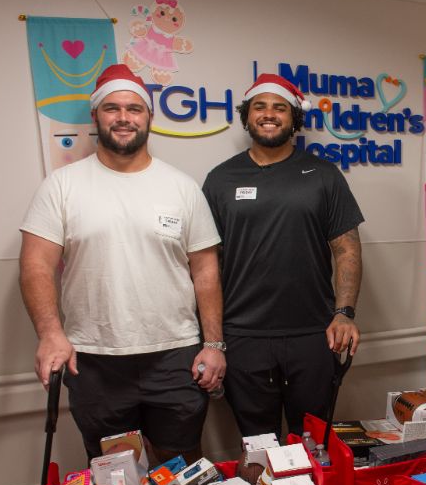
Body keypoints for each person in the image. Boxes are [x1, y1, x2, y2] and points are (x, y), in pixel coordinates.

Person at [19, 64, 225, 464]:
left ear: (149, 117)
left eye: (134, 108)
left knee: (179, 471)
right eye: (112, 108)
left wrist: (214, 344)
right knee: (117, 479)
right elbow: (36, 267)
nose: (124, 118)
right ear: (96, 115)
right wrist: (50, 333)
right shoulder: (62, 186)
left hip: (175, 355)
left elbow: (206, 272)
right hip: (95, 361)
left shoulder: (181, 187)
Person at [203, 74, 364, 439]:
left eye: (280, 107)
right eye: (260, 106)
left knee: (312, 439)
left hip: (313, 334)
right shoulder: (220, 179)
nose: (269, 114)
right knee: (258, 444)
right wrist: (211, 338)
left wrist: (344, 313)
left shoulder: (323, 175)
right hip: (243, 336)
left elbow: (347, 248)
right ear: (247, 117)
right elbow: (206, 264)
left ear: (294, 119)